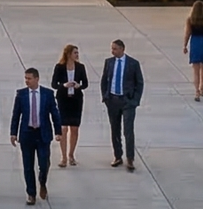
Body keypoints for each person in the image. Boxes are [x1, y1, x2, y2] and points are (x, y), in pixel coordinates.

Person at [8, 65, 58, 205]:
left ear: (37, 79)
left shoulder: (47, 94)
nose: (27, 81)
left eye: (29, 78)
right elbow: (16, 115)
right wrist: (13, 133)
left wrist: (58, 131)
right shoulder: (21, 94)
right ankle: (31, 193)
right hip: (27, 134)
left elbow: (54, 113)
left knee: (44, 163)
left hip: (42, 134)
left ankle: (42, 182)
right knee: (28, 165)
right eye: (25, 78)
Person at [99, 39, 144, 172]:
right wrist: (105, 96)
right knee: (115, 129)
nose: (112, 51)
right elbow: (104, 80)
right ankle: (117, 156)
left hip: (127, 101)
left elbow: (139, 83)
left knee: (128, 131)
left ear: (122, 49)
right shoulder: (109, 62)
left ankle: (130, 158)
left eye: (115, 49)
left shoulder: (133, 63)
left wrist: (135, 101)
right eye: (112, 49)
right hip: (112, 100)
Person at [52, 44, 89, 168]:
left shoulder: (80, 67)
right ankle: (63, 157)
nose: (77, 55)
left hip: (76, 100)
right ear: (68, 54)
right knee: (63, 129)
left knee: (74, 128)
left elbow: (86, 83)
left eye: (77, 53)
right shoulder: (59, 67)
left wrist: (79, 86)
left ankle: (71, 154)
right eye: (75, 53)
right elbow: (54, 84)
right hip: (63, 100)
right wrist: (64, 85)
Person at [184, 1, 203, 101]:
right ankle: (202, 88)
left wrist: (185, 45)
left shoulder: (190, 20)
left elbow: (187, 33)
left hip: (195, 43)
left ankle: (196, 91)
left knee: (196, 70)